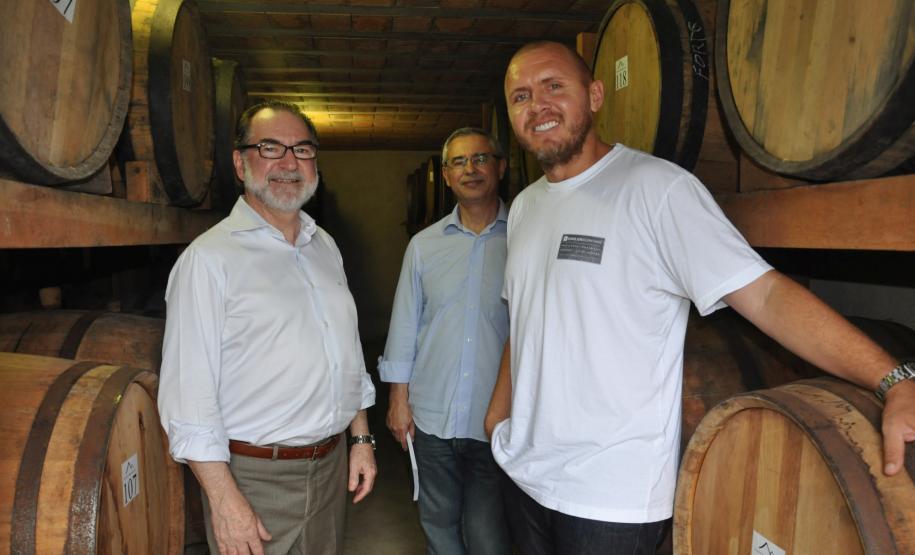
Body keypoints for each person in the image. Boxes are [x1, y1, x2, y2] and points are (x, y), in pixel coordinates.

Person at [484, 41, 915, 554]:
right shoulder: (527, 208)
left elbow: (768, 296)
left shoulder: (657, 189)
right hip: (524, 473)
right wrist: (498, 417)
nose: (538, 105)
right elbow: (525, 317)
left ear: (595, 95)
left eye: (554, 86)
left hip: (610, 498)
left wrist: (891, 379)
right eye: (521, 96)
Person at [158, 100, 377, 555]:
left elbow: (346, 354)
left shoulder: (325, 246)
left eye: (302, 149)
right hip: (254, 478)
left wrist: (360, 438)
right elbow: (188, 397)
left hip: (331, 465)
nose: (288, 163)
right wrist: (223, 499)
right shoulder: (209, 259)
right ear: (240, 163)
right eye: (270, 147)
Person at [379, 128, 513, 555]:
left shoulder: (526, 240)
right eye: (458, 162)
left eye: (480, 158)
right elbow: (404, 327)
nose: (470, 169)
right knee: (437, 523)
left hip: (497, 417)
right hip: (432, 414)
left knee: (488, 534)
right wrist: (398, 400)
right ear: (446, 174)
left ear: (501, 166)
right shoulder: (424, 246)